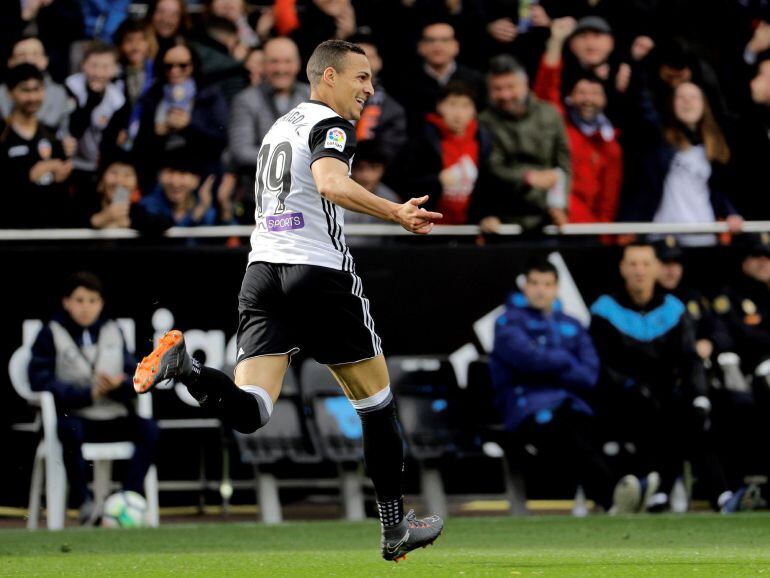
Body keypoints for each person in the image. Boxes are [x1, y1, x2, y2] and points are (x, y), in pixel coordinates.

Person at [132, 39, 443, 561]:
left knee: (252, 410)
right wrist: (395, 213)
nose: (369, 88)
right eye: (360, 77)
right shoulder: (331, 125)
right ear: (327, 78)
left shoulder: (280, 126)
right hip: (318, 273)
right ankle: (394, 529)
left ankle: (187, 371)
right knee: (377, 406)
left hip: (261, 275)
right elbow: (329, 182)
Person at [590, 241, 750, 513]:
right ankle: (680, 491)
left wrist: (699, 396)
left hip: (666, 395)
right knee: (664, 416)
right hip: (621, 397)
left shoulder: (673, 309)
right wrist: (631, 386)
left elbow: (690, 360)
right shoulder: (604, 309)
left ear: (656, 268)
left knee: (694, 416)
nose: (639, 270)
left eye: (645, 264)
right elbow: (601, 363)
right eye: (633, 264)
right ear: (622, 268)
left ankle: (701, 494)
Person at [489, 258, 636, 514]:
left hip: (571, 405)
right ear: (525, 286)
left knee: (613, 419)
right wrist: (566, 359)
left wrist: (552, 363)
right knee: (570, 431)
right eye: (535, 283)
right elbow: (529, 361)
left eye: (547, 284)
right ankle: (615, 496)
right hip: (525, 410)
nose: (540, 290)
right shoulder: (507, 322)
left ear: (557, 287)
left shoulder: (572, 323)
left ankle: (634, 491)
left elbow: (590, 374)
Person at [28, 272, 160, 525]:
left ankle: (126, 497)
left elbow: (137, 375)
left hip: (112, 415)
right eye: (79, 300)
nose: (85, 307)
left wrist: (120, 384)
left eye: (92, 300)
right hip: (76, 417)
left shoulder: (113, 330)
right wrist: (85, 394)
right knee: (68, 430)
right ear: (66, 302)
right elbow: (40, 380)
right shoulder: (50, 333)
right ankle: (83, 502)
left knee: (150, 430)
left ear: (101, 303)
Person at [533, 18, 622, 224]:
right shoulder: (560, 125)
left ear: (605, 100)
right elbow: (546, 89)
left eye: (594, 93)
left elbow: (609, 199)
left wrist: (602, 237)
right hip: (555, 223)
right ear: (570, 98)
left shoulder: (610, 143)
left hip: (590, 233)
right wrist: (556, 41)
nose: (588, 99)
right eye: (581, 92)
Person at [475, 54, 571, 232]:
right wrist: (528, 177)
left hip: (546, 217)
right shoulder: (483, 121)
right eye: (497, 89)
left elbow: (564, 165)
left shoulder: (550, 114)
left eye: (511, 87)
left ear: (525, 84)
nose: (505, 95)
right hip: (500, 218)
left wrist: (560, 205)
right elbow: (491, 168)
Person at [403, 81, 490, 224]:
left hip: (467, 230)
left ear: (474, 110)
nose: (458, 112)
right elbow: (405, 182)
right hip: (428, 228)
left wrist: (485, 216)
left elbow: (488, 186)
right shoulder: (423, 138)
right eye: (452, 104)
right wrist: (437, 180)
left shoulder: (483, 140)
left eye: (465, 105)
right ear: (440, 106)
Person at [228, 37, 310, 186]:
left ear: (298, 64)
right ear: (263, 65)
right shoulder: (245, 100)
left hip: (308, 192)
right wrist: (293, 161)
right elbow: (241, 151)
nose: (281, 69)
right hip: (260, 193)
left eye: (287, 62)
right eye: (274, 62)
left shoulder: (313, 97)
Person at [0, 64, 72, 228]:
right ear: (10, 93)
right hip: (9, 231)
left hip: (49, 229)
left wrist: (62, 176)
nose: (33, 97)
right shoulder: (3, 135)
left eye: (37, 89)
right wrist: (29, 176)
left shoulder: (52, 134)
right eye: (25, 90)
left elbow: (61, 188)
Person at [0, 37, 70, 136]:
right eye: (21, 55)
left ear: (45, 60)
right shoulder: (1, 93)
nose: (28, 60)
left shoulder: (59, 93)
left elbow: (64, 133)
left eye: (35, 54)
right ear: (10, 62)